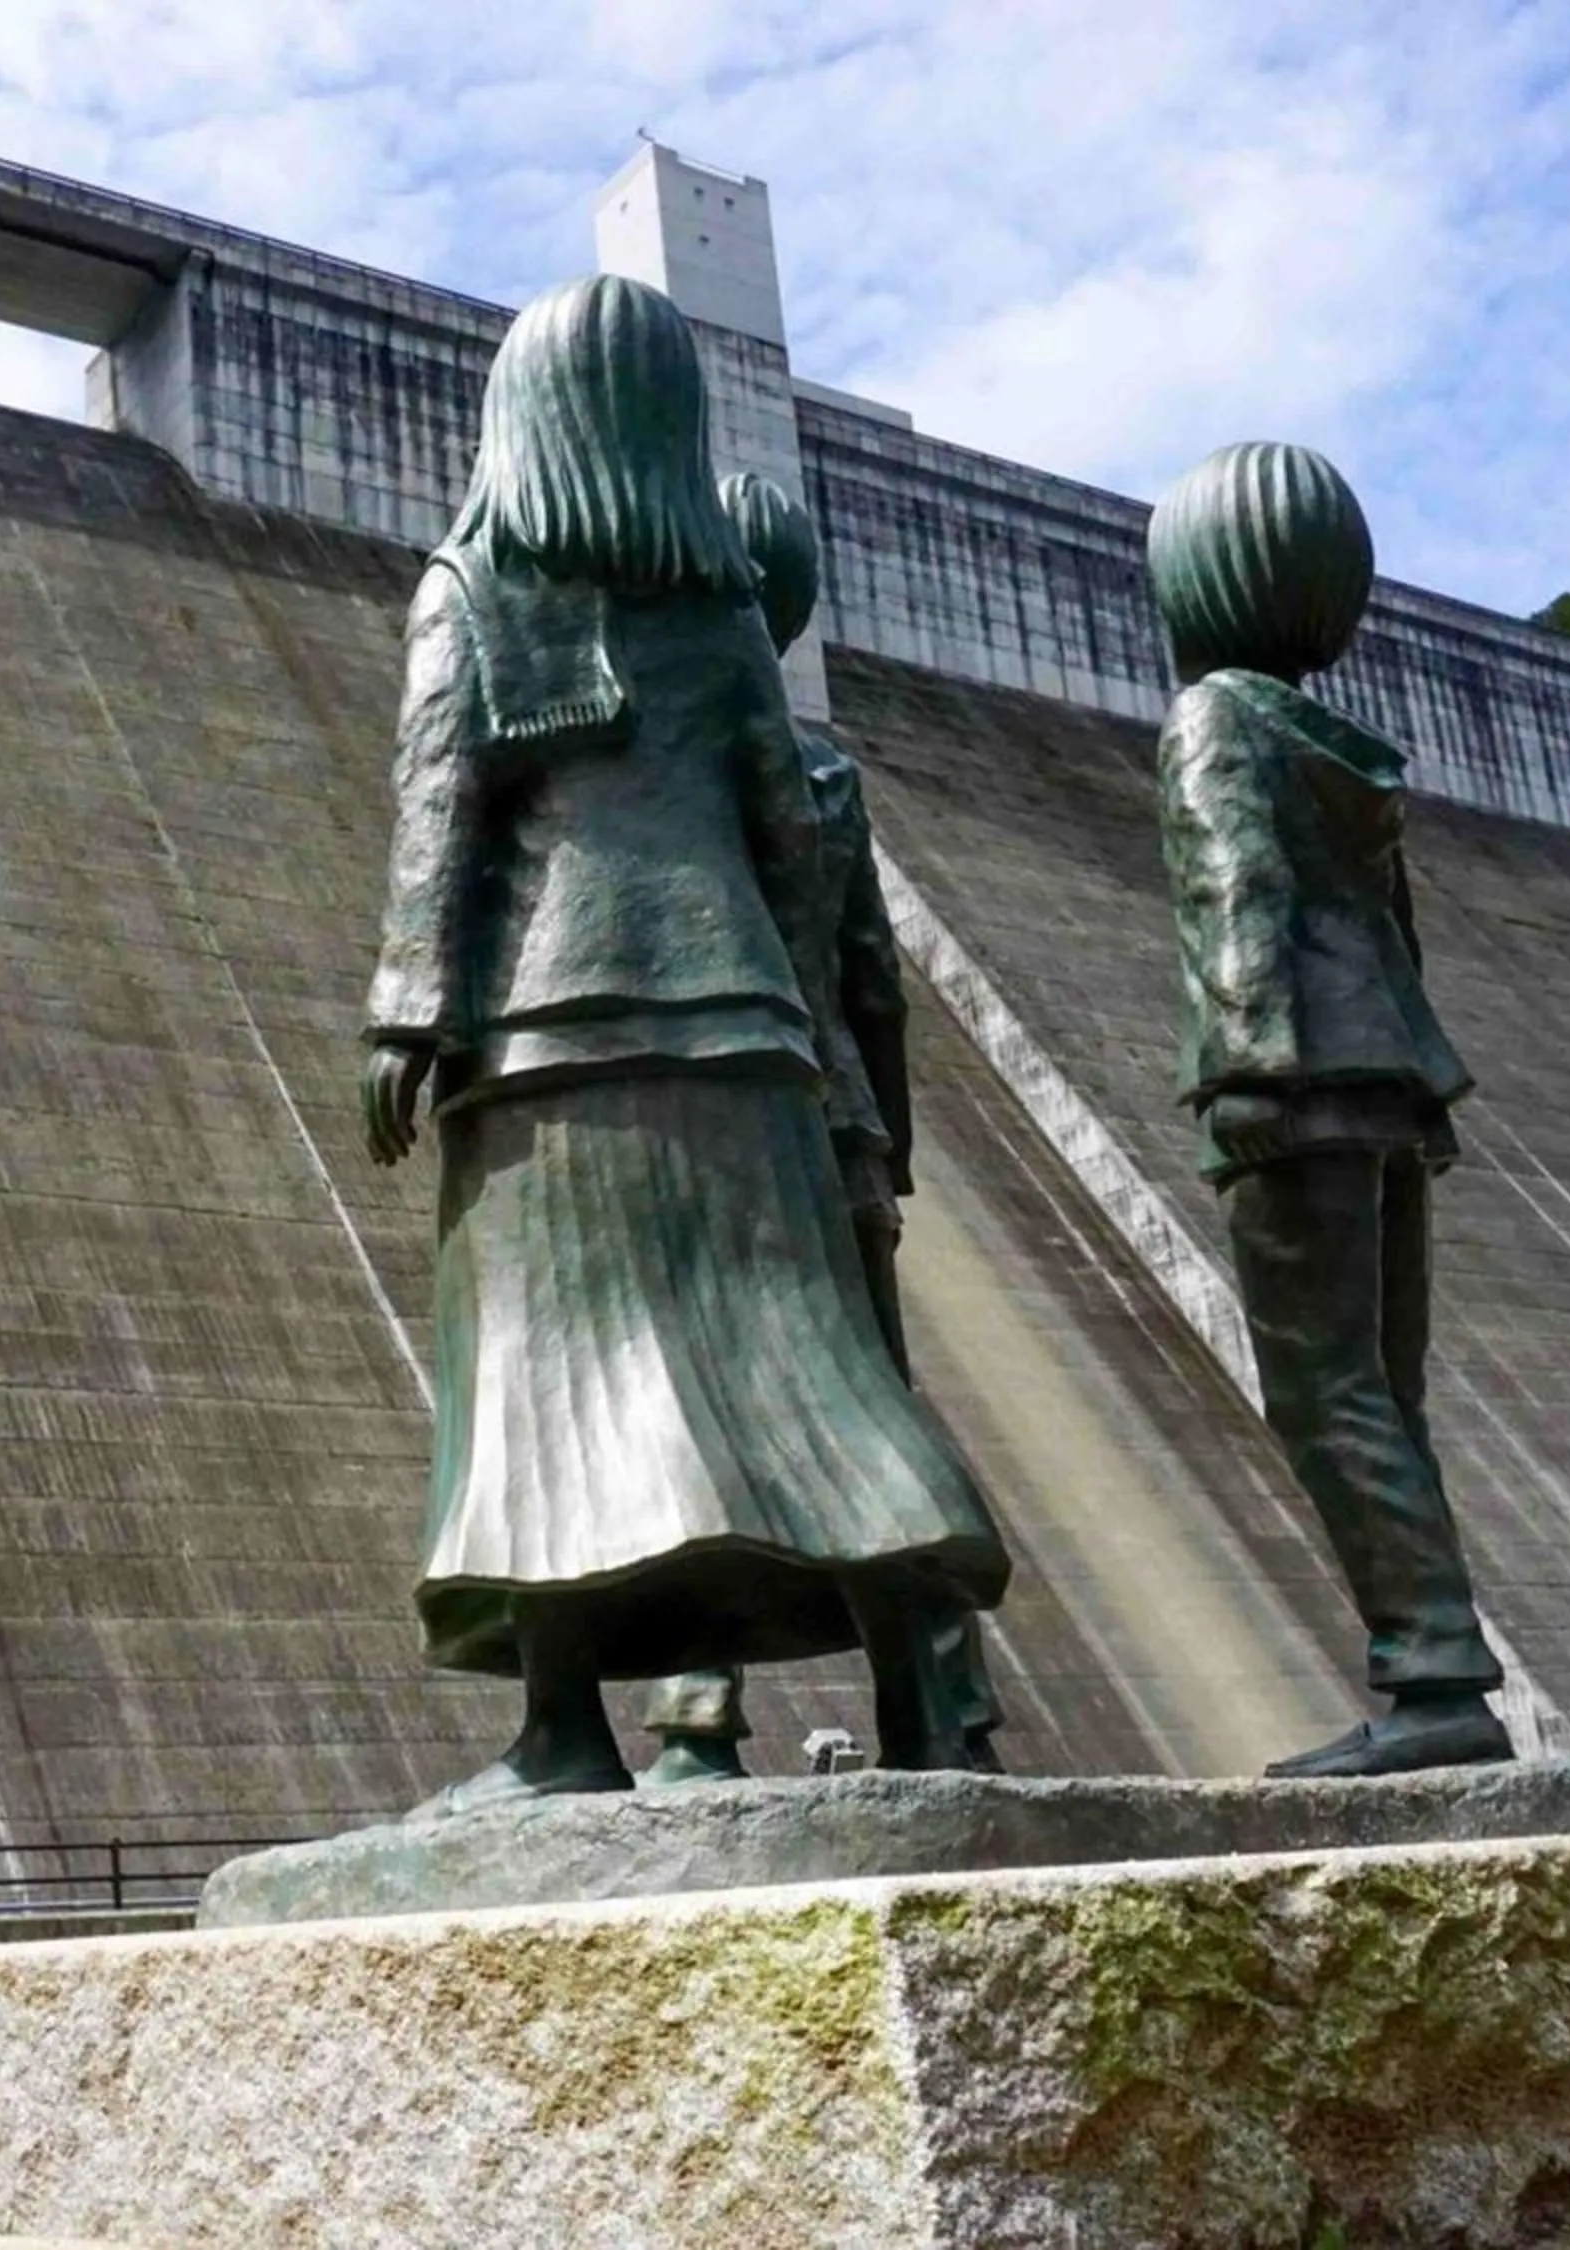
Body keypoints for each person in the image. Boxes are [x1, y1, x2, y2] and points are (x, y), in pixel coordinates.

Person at [361, 274, 1008, 1819]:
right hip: (744, 1046)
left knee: (543, 1381)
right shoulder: (722, 614)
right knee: (812, 1368)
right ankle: (926, 1694)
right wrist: (802, 1041)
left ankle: (565, 1729)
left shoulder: (474, 587)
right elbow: (789, 844)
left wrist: (405, 1004)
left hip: (550, 1046)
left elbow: (441, 813)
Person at [1147, 440, 1512, 1779]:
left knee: (1322, 1390)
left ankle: (1430, 1678)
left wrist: (1241, 1065)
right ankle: (1444, 1677)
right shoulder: (1346, 744)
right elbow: (1395, 930)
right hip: (1390, 1079)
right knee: (1387, 1391)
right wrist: (1426, 1104)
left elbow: (1234, 890)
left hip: (1292, 1083)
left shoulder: (1215, 721)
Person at [635, 471, 1005, 1789]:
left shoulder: (677, 752)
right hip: (837, 1133)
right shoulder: (829, 770)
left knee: (697, 1399)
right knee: (874, 1418)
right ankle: (938, 1708)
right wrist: (885, 1145)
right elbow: (872, 990)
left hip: (722, 1115)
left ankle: (695, 1718)